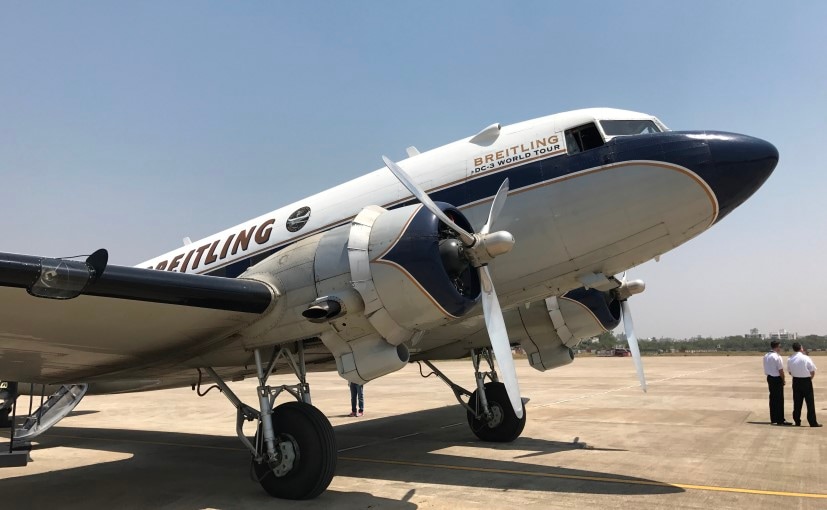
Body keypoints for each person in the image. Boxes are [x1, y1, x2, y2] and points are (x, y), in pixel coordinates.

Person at [788, 342, 822, 427]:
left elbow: (789, 371)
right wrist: (809, 379)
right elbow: (812, 371)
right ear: (801, 348)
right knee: (810, 403)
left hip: (796, 381)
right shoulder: (806, 358)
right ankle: (812, 422)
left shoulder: (790, 359)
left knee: (797, 402)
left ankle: (797, 421)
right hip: (806, 381)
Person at [763, 341, 790, 425]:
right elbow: (781, 370)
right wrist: (783, 379)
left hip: (770, 378)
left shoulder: (766, 356)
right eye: (779, 347)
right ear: (777, 347)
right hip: (776, 378)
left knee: (772, 398)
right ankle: (780, 419)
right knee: (779, 400)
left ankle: (774, 418)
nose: (780, 348)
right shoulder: (777, 357)